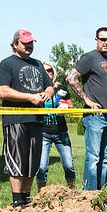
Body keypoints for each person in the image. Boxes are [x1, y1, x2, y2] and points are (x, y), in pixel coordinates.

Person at [0, 29, 54, 208]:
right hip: (16, 119)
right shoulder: (7, 64)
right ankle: (16, 201)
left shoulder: (37, 64)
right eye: (25, 43)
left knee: (32, 162)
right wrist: (29, 97)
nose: (29, 46)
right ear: (15, 44)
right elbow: (2, 91)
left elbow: (50, 86)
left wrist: (47, 93)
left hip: (36, 119)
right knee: (16, 160)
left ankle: (26, 199)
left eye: (31, 43)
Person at [67, 27, 107, 191]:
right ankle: (89, 194)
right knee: (94, 157)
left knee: (105, 158)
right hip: (95, 116)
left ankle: (101, 193)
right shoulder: (89, 58)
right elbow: (71, 77)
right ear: (96, 39)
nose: (106, 43)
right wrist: (87, 100)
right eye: (103, 39)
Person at [36, 62, 76, 190]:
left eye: (50, 70)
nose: (48, 73)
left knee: (69, 165)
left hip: (61, 132)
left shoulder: (61, 88)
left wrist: (65, 107)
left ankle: (72, 192)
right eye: (44, 70)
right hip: (43, 133)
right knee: (41, 166)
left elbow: (71, 106)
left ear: (53, 72)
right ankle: (41, 194)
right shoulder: (37, 89)